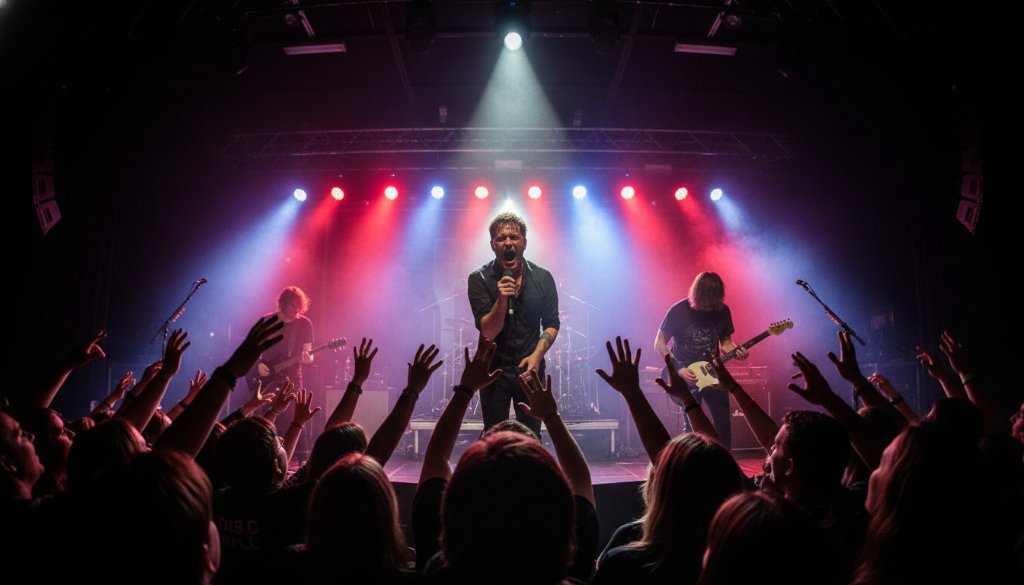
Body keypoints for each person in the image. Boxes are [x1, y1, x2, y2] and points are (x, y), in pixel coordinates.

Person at [468, 212, 559, 437]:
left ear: (524, 243)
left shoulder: (543, 278)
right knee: (493, 436)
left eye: (514, 237)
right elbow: (488, 331)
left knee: (531, 435)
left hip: (530, 368)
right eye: (501, 238)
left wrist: (537, 355)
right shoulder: (478, 279)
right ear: (492, 245)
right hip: (493, 369)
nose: (508, 242)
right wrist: (501, 298)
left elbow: (551, 323)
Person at [654, 272, 747, 447]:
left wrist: (736, 351)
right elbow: (659, 343)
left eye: (715, 302)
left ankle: (724, 464)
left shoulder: (722, 310)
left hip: (713, 374)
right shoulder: (678, 311)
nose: (710, 307)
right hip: (686, 376)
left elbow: (725, 342)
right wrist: (678, 368)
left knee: (723, 423)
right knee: (692, 427)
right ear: (698, 295)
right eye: (707, 302)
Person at [251, 286, 314, 392]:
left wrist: (308, 359)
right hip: (267, 375)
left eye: (299, 306)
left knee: (294, 407)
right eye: (293, 305)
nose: (296, 309)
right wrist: (258, 364)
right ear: (283, 304)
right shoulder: (267, 321)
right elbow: (254, 348)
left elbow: (309, 354)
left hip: (292, 378)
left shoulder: (305, 324)